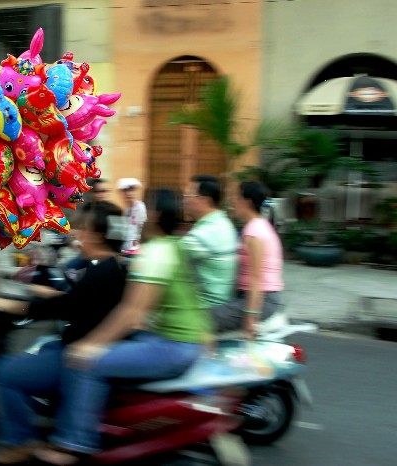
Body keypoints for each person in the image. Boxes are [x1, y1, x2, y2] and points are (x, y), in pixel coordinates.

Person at [33, 189, 210, 465]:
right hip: (177, 339)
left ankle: (74, 443)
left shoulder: (155, 253)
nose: (137, 215)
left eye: (145, 208)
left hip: (172, 345)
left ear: (156, 215)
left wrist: (89, 346)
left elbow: (131, 311)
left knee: (83, 362)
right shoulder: (173, 245)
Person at [0, 201, 128, 464]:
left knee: (3, 372)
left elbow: (59, 307)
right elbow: (77, 300)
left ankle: (20, 441)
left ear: (97, 234)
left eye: (81, 228)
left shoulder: (100, 272)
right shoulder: (109, 265)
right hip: (75, 344)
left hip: (76, 352)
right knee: (40, 349)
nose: (76, 233)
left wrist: (1, 303)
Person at [212, 181, 284, 338]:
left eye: (236, 197)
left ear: (247, 202)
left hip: (262, 301)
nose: (233, 202)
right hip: (256, 297)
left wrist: (251, 316)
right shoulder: (258, 226)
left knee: (201, 319)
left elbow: (256, 278)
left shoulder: (254, 232)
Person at [181, 175, 239, 310]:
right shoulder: (221, 222)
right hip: (219, 301)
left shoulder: (209, 232)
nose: (184, 200)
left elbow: (170, 258)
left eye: (188, 195)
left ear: (205, 200)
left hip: (206, 307)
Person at [117, 177, 146, 255]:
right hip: (125, 250)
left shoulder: (140, 207)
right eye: (125, 191)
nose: (128, 194)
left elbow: (143, 228)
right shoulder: (127, 210)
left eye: (131, 190)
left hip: (136, 250)